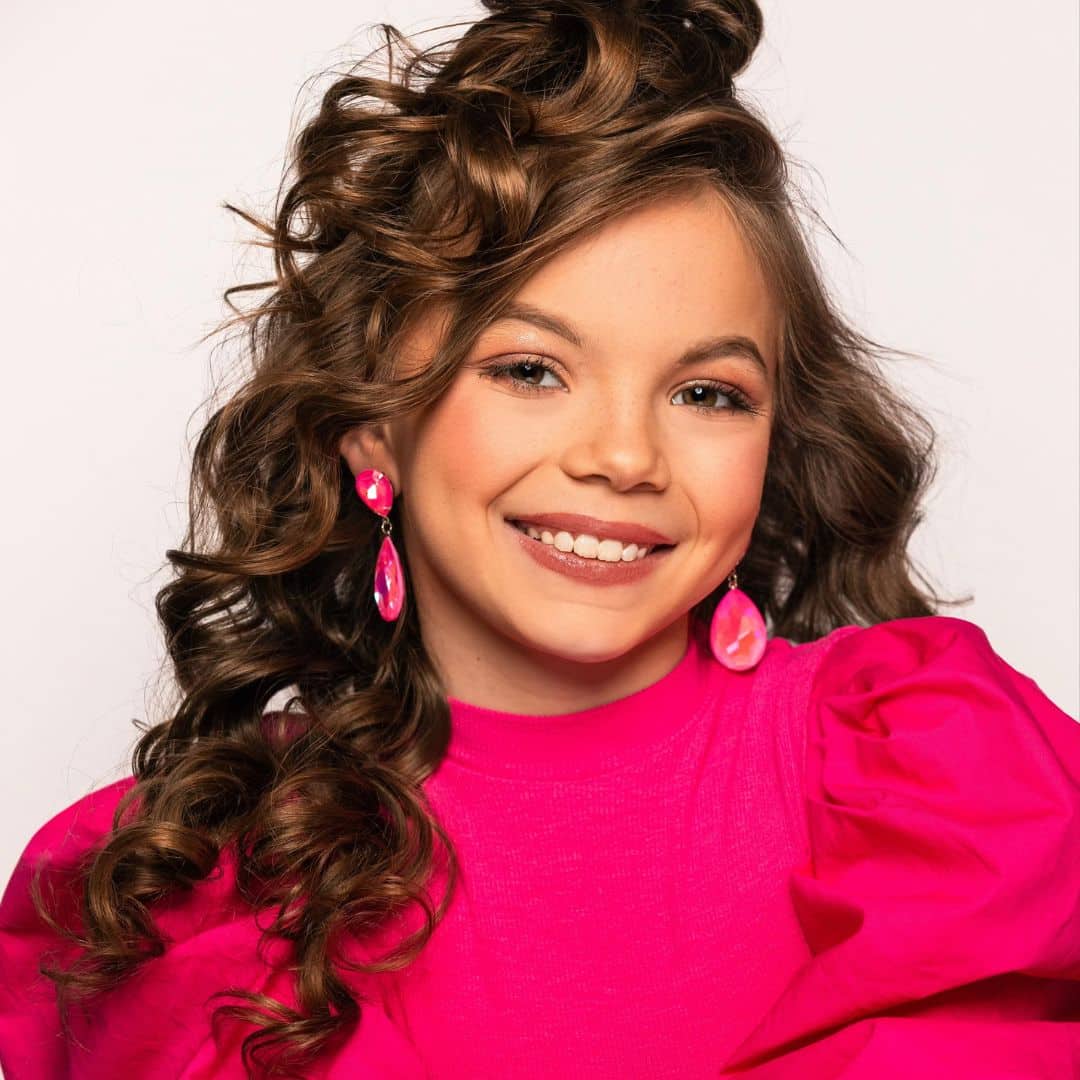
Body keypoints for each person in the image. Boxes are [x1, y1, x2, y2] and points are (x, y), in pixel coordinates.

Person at [1, 1, 1077, 1077]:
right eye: (529, 370)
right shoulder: (192, 881)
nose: (625, 457)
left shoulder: (932, 772)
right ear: (373, 421)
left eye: (707, 392)